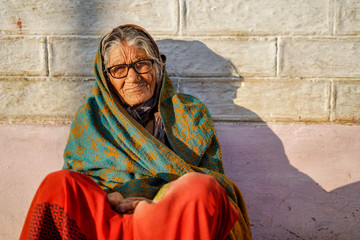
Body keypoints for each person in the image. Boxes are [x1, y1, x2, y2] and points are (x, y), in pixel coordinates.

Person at [20, 24, 252, 240]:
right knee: (60, 184)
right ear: (106, 77)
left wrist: (157, 201)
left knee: (202, 188)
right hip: (107, 220)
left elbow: (217, 183)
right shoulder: (92, 116)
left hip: (170, 221)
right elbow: (82, 181)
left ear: (158, 66)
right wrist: (114, 198)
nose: (132, 77)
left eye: (141, 64)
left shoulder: (190, 113)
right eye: (119, 69)